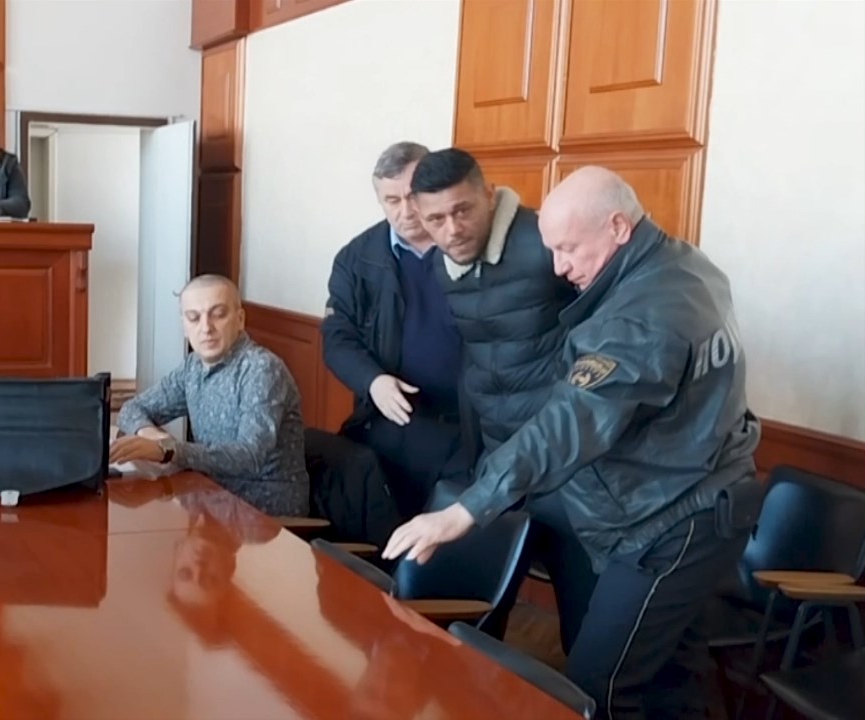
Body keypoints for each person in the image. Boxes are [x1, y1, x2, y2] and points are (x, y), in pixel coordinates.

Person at [385, 166, 762, 719]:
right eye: (552, 250)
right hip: (695, 493)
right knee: (670, 678)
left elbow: (573, 419)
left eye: (568, 249)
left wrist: (466, 509)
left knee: (595, 686)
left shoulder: (641, 318)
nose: (560, 267)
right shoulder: (684, 264)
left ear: (618, 227)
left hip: (673, 519)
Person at [409, 148, 594, 651]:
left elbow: (604, 337)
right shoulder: (441, 265)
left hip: (567, 462)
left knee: (583, 625)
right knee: (474, 611)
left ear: (489, 196)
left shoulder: (545, 243)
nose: (452, 229)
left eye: (463, 210)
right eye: (436, 219)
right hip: (498, 456)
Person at [321, 141, 469, 519]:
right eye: (392, 200)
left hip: (467, 426)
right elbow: (337, 337)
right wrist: (372, 380)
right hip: (393, 419)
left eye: (412, 196)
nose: (405, 211)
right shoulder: (356, 258)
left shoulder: (465, 242)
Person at [110, 274, 310, 517]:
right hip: (208, 500)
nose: (206, 328)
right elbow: (132, 409)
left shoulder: (262, 369)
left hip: (263, 516)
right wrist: (153, 437)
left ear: (240, 319)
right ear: (184, 326)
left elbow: (249, 456)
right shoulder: (193, 366)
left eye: (218, 314)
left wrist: (169, 451)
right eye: (194, 318)